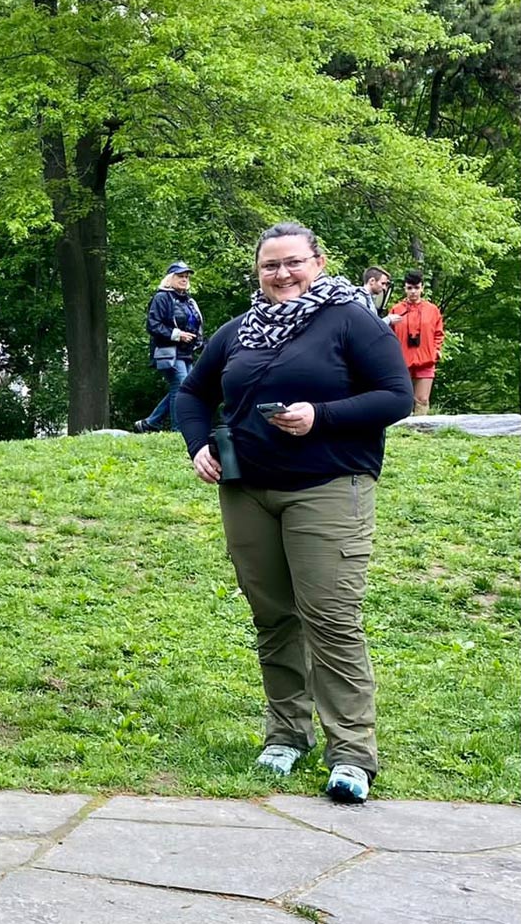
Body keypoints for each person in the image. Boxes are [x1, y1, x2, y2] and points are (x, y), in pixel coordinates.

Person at [175, 221, 411, 804]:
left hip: (329, 484)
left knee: (330, 617)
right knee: (274, 617)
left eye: (292, 263)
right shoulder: (238, 331)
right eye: (270, 265)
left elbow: (396, 395)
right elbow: (192, 394)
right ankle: (286, 734)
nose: (282, 274)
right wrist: (200, 443)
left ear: (318, 262)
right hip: (248, 490)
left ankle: (352, 752)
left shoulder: (351, 320)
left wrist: (319, 416)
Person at [133, 261, 204, 433]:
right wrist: (177, 334)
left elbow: (196, 327)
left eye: (186, 276)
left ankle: (150, 423)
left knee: (185, 388)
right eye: (180, 276)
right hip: (168, 353)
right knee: (180, 386)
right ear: (170, 278)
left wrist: (203, 345)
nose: (184, 279)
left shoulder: (189, 301)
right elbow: (153, 325)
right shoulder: (162, 297)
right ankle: (178, 430)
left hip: (186, 353)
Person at [386, 271, 445, 415]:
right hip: (401, 360)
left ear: (422, 288)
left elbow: (439, 333)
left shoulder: (432, 310)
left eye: (416, 288)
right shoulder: (396, 310)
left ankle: (421, 432)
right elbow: (388, 335)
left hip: (426, 360)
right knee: (401, 399)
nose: (413, 292)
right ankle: (401, 430)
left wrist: (436, 349)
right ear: (405, 289)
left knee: (422, 399)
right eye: (409, 288)